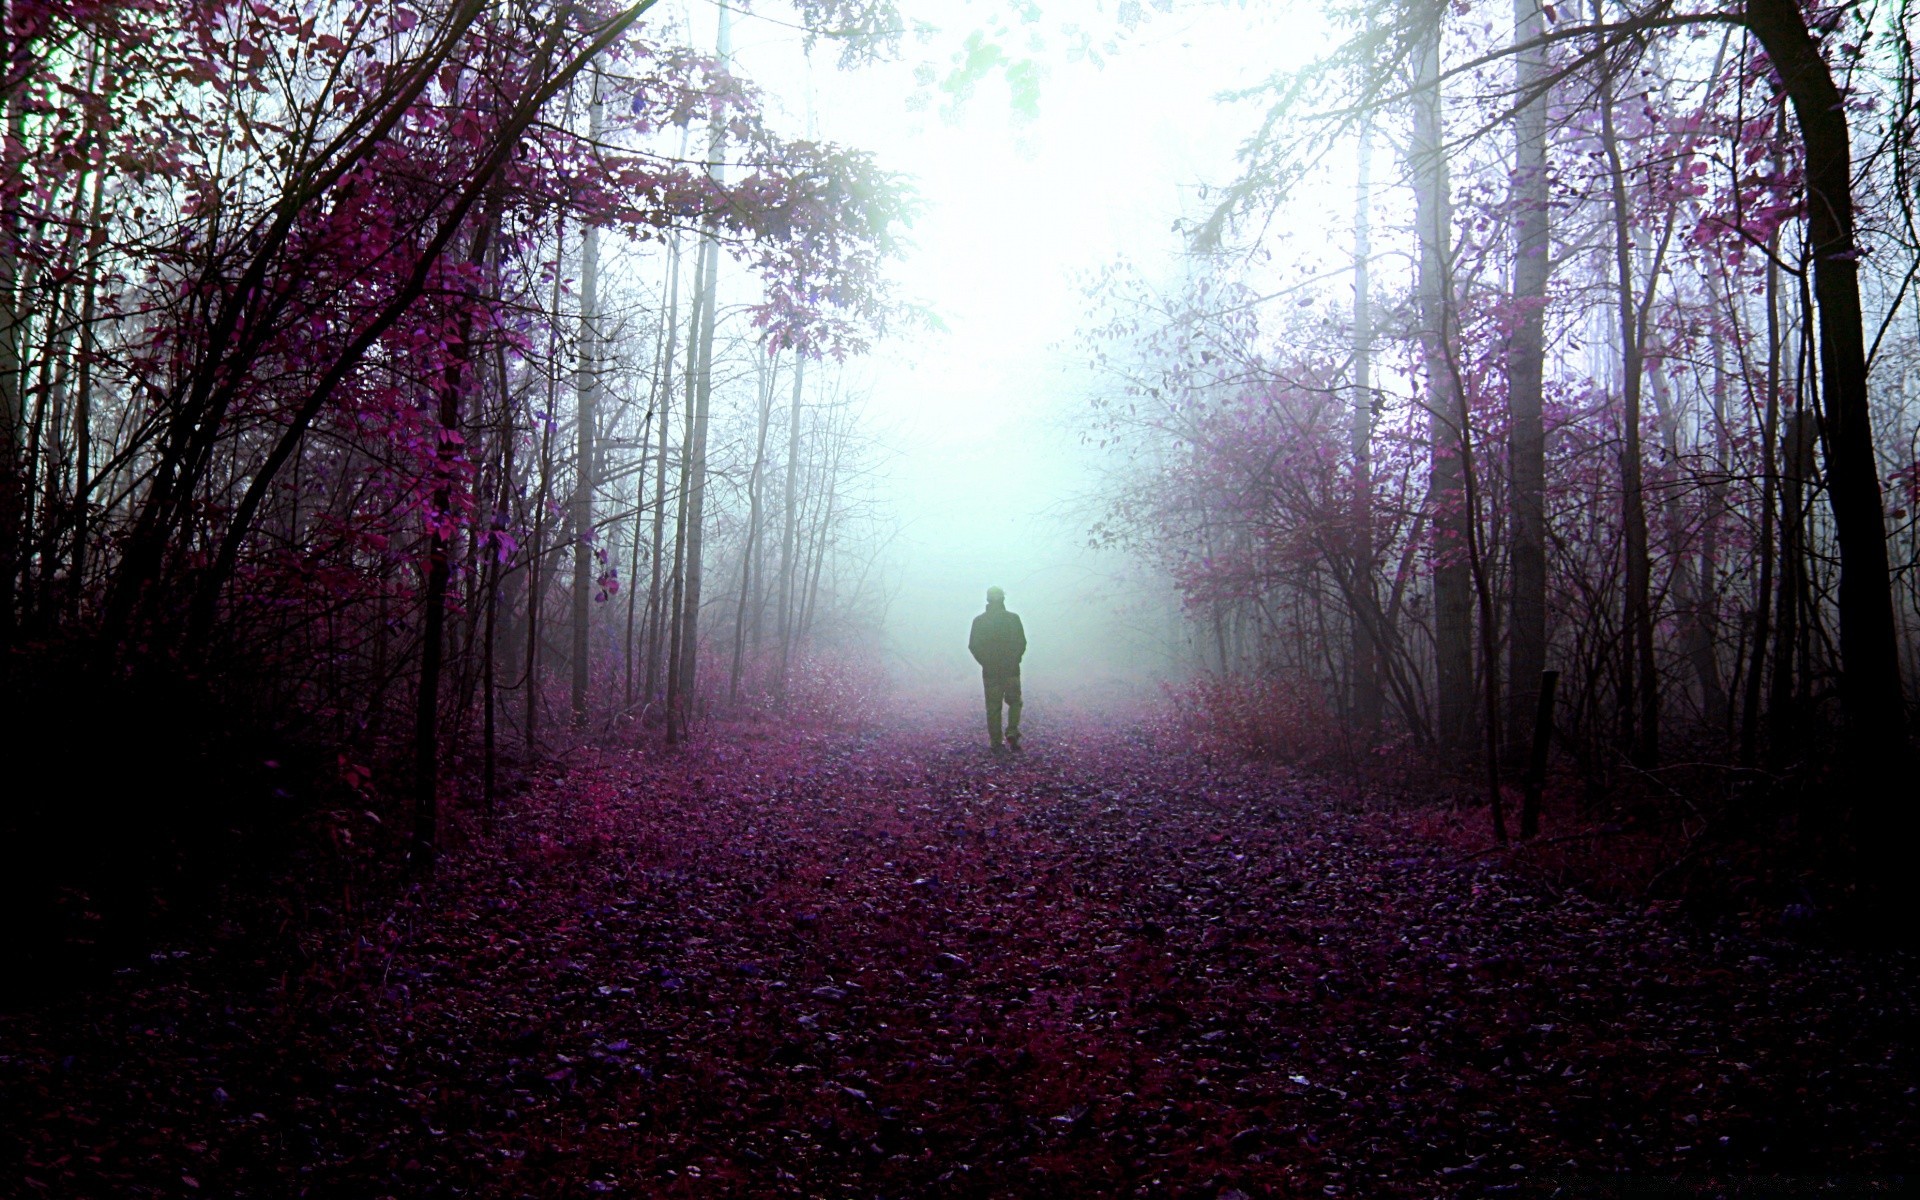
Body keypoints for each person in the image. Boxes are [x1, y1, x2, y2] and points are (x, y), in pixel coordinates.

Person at [968, 586, 1027, 751]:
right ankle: (1012, 731)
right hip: (1011, 670)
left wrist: (985, 662)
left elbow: (973, 646)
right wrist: (1015, 659)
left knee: (993, 707)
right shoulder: (1013, 619)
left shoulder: (979, 621)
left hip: (990, 671)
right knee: (1015, 701)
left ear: (987, 599)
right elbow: (1021, 643)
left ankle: (996, 742)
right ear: (1003, 599)